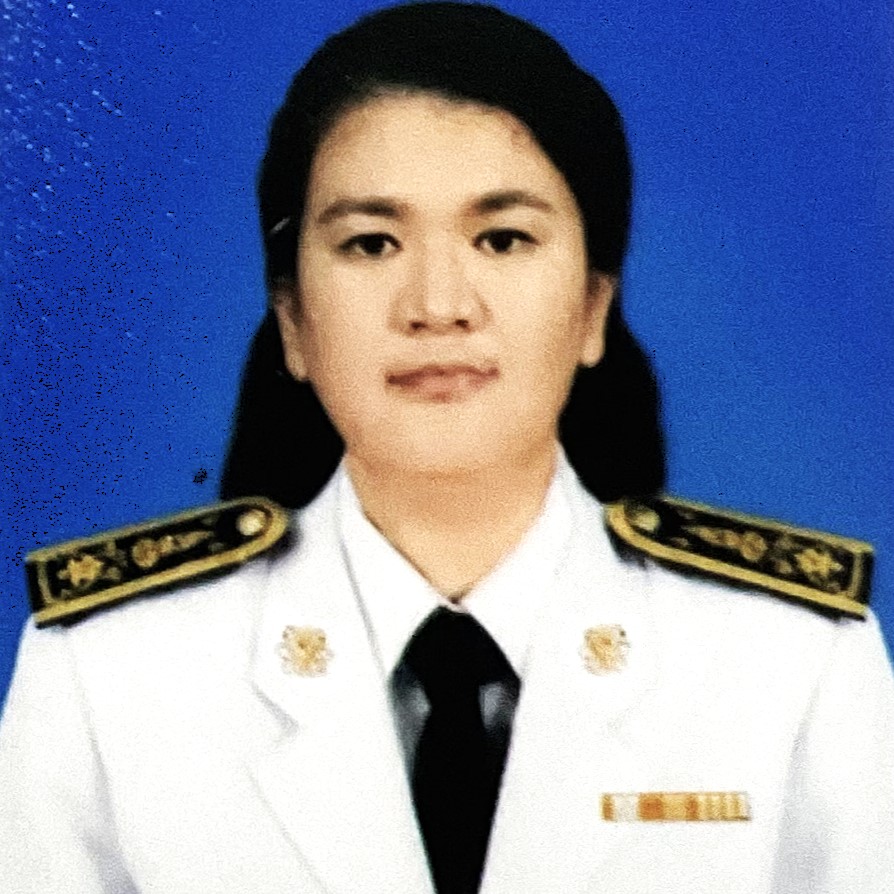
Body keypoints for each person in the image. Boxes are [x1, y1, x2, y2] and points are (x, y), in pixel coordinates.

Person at [1, 3, 892, 893]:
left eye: (502, 238)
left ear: (593, 306)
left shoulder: (792, 661)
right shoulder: (109, 672)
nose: (437, 304)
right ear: (292, 319)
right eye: (371, 243)